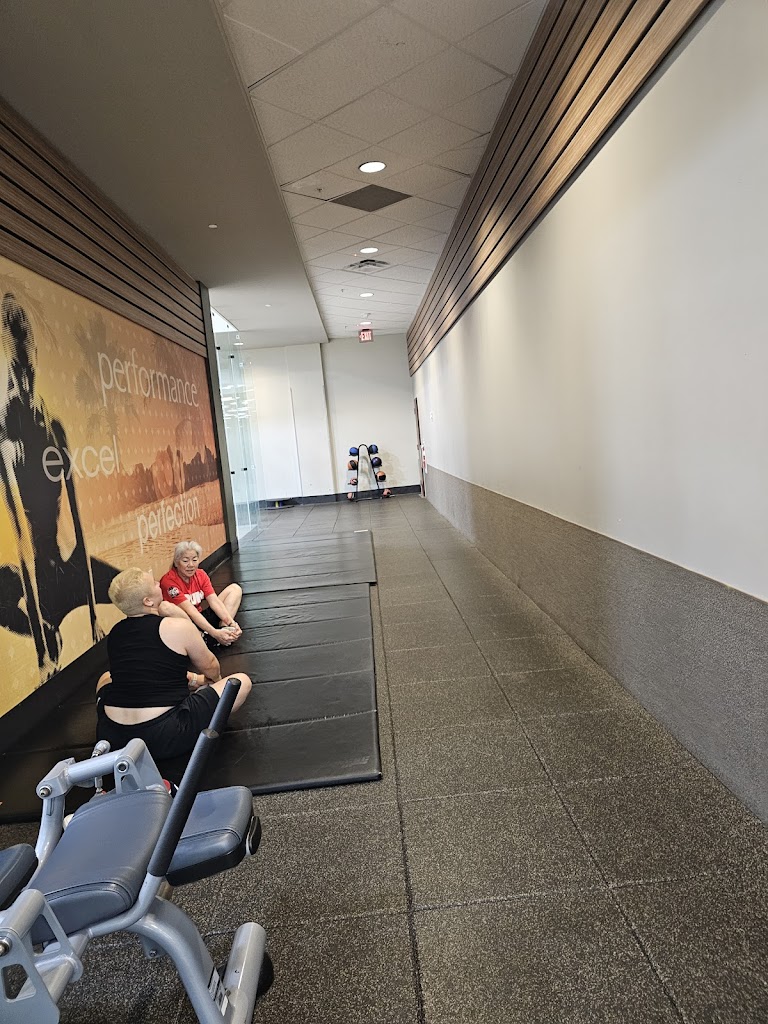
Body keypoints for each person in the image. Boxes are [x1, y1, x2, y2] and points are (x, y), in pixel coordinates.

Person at [0, 292, 118, 682]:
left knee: (131, 587)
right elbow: (21, 536)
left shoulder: (53, 427)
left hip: (66, 564)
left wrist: (95, 613)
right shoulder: (6, 434)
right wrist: (40, 643)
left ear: (34, 356)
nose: (23, 373)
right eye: (16, 362)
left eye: (27, 359)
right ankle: (47, 627)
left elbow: (78, 522)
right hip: (33, 576)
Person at [95, 567, 251, 760]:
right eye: (153, 583)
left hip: (113, 735)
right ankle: (199, 688)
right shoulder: (177, 626)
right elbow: (211, 666)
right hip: (165, 734)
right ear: (148, 601)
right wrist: (215, 682)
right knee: (241, 682)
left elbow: (147, 671)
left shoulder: (115, 633)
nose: (158, 583)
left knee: (106, 677)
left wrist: (196, 680)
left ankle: (195, 681)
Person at [160, 540, 242, 650]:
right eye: (185, 561)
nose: (191, 565)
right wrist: (214, 633)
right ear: (176, 563)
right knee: (165, 607)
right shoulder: (169, 581)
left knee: (235, 589)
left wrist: (231, 623)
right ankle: (203, 638)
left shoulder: (201, 574)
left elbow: (214, 601)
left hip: (200, 616)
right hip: (186, 622)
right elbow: (190, 611)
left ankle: (225, 631)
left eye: (194, 560)